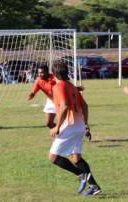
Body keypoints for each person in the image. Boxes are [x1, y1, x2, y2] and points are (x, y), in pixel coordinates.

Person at [48, 61, 101, 196]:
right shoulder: (72, 86)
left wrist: (57, 127)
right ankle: (94, 186)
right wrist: (86, 124)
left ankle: (81, 174)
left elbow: (65, 106)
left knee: (53, 157)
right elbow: (85, 106)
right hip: (79, 125)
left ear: (54, 74)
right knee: (76, 158)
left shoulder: (58, 86)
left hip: (69, 125)